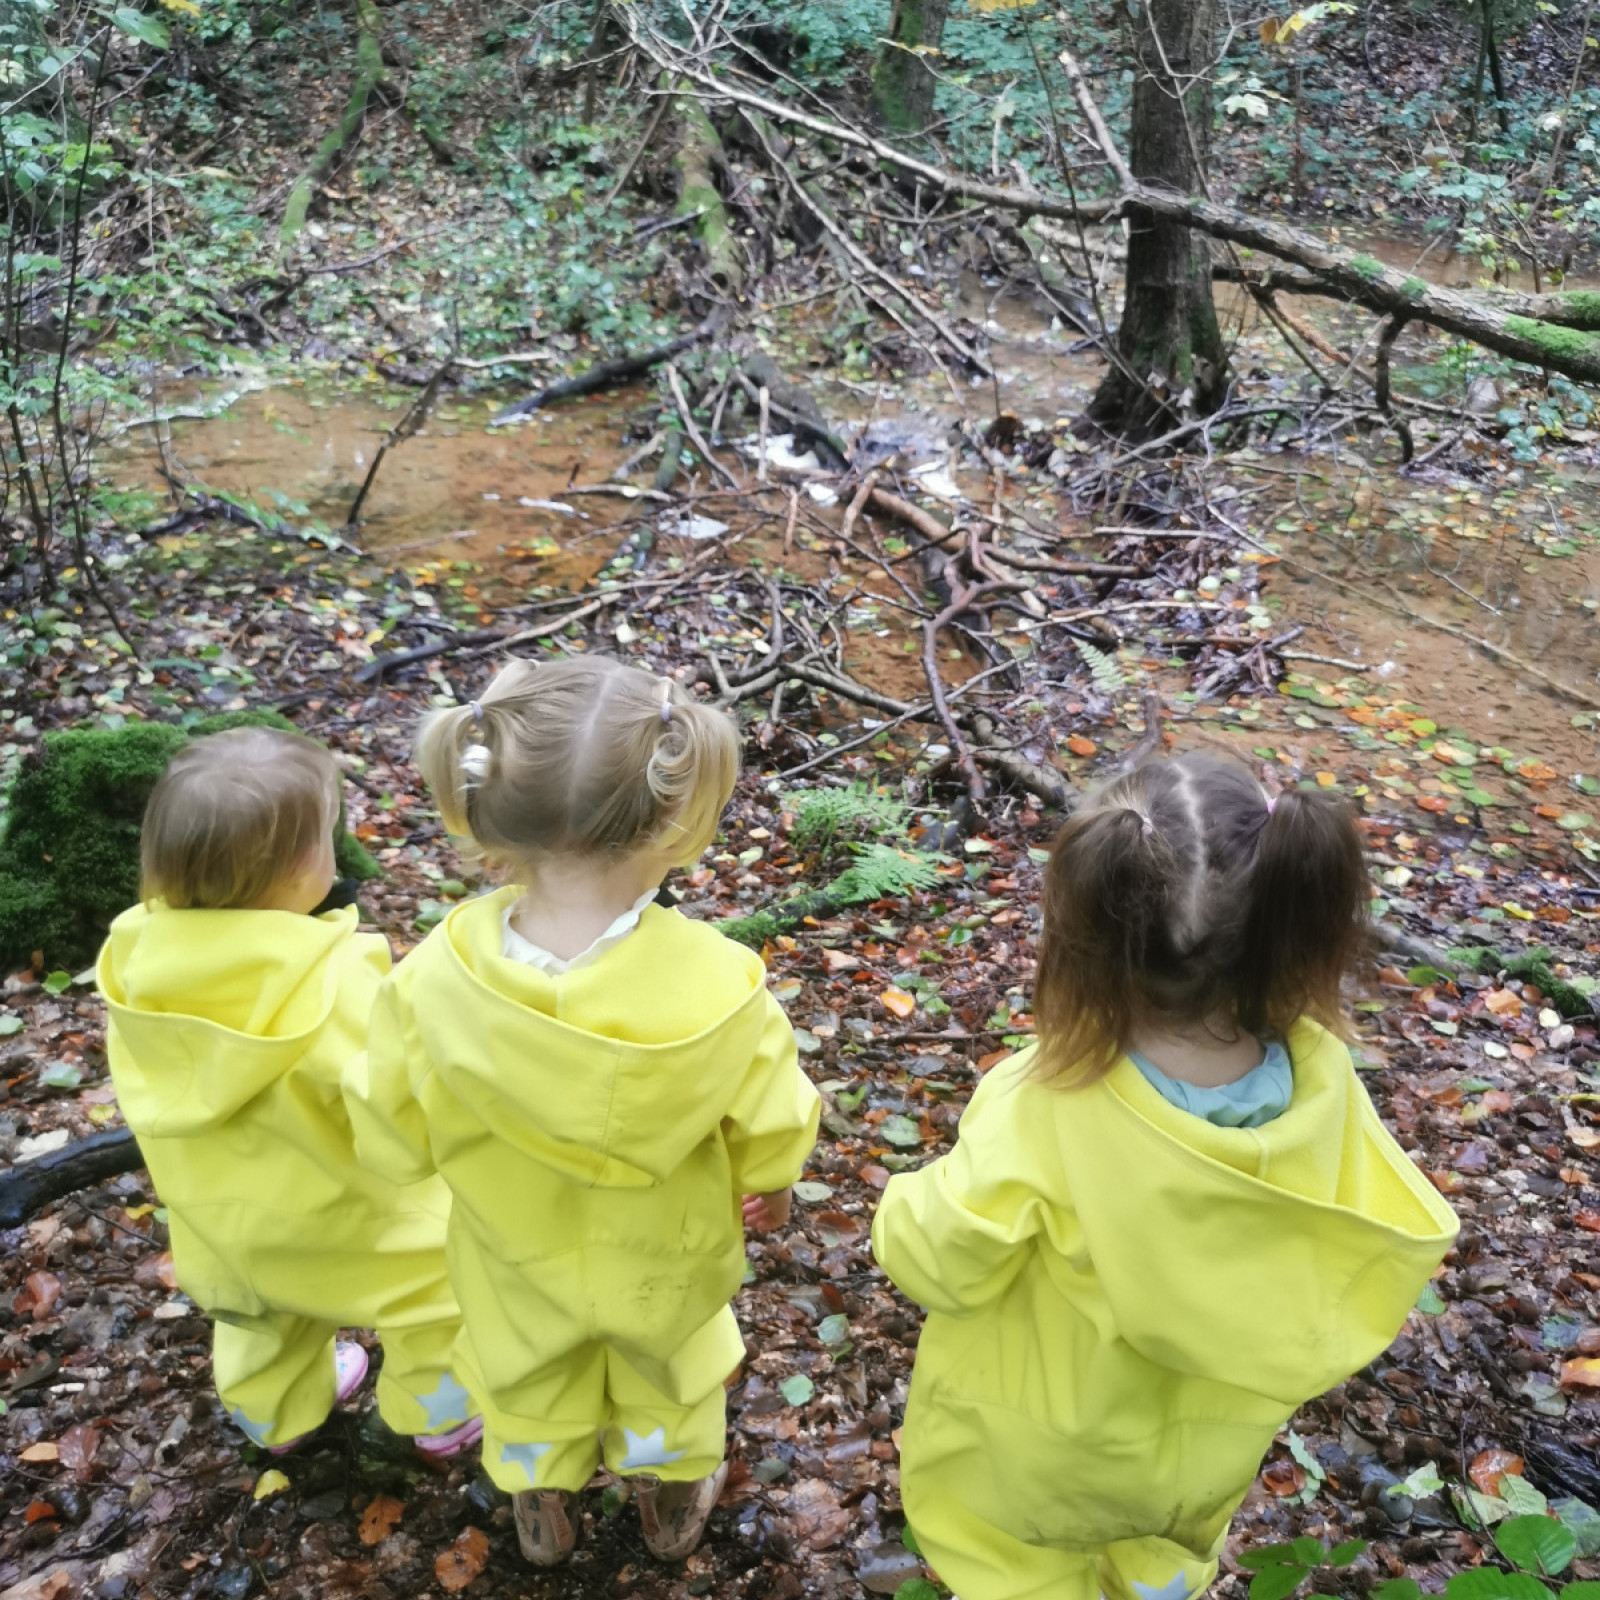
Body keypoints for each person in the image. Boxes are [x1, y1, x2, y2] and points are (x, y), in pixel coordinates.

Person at [872, 752, 1458, 1600]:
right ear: (1287, 921)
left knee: (1015, 1566)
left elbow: (939, 1259)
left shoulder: (1044, 1102)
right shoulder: (1324, 1089)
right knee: (1160, 1557)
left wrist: (897, 1210)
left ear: (1084, 939)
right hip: (1203, 1450)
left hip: (1045, 1443)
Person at [343, 658, 819, 1567]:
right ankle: (667, 1497)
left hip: (510, 1254)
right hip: (667, 1258)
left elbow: (391, 1128)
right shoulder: (722, 982)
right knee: (671, 1372)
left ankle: (540, 1504)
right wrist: (775, 1188)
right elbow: (773, 1122)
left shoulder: (432, 977)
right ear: (672, 819)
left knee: (527, 1375)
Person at [99, 727, 476, 1459]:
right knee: (439, 1294)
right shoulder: (334, 980)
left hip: (220, 1228)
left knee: (257, 1320)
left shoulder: (133, 966)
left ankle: (278, 1419)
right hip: (344, 1222)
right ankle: (438, 1414)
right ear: (305, 867)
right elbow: (388, 1096)